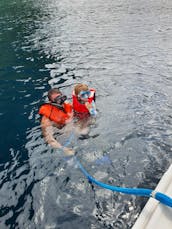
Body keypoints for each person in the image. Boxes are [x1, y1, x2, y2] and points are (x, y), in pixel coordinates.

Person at [39, 88, 75, 155]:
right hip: (60, 137)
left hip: (71, 130)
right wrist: (63, 149)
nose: (60, 101)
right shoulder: (46, 119)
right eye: (57, 100)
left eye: (61, 98)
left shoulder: (66, 105)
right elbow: (49, 139)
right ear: (51, 102)